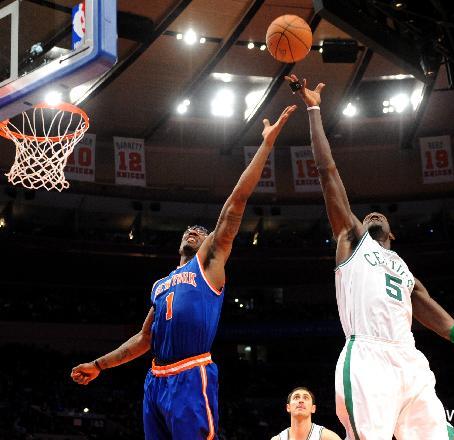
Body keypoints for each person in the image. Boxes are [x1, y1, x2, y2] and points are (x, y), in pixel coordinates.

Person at [285, 73, 454, 440]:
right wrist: (313, 111)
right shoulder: (353, 239)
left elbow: (450, 329)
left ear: (393, 234)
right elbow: (327, 174)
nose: (372, 215)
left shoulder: (407, 275)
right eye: (368, 213)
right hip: (367, 357)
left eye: (381, 217)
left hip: (409, 360)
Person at [70, 105, 297, 440]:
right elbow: (145, 339)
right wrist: (100, 364)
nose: (193, 229)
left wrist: (266, 145)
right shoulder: (160, 286)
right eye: (188, 228)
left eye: (201, 230)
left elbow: (236, 202)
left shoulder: (208, 264)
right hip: (155, 380)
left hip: (191, 373)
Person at [271, 387, 342, 440]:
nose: (301, 401)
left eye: (306, 398)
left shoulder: (328, 437)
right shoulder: (277, 439)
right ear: (288, 407)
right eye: (296, 397)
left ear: (313, 408)